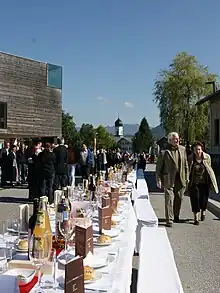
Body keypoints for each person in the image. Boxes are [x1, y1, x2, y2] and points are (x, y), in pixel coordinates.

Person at [156, 132, 189, 227]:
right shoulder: (164, 151)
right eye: (175, 138)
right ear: (170, 140)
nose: (177, 140)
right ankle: (169, 219)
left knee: (179, 197)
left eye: (178, 138)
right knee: (169, 199)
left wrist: (187, 177)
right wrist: (158, 179)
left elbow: (185, 164)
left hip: (180, 178)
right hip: (168, 178)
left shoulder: (183, 149)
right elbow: (158, 168)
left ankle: (176, 215)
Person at [188, 141, 218, 225]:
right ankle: (196, 218)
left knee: (203, 199)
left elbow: (209, 169)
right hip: (194, 182)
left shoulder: (207, 157)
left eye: (199, 149)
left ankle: (203, 211)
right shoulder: (191, 157)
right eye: (195, 150)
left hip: (205, 182)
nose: (197, 151)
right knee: (195, 199)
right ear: (193, 150)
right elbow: (188, 169)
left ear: (202, 149)